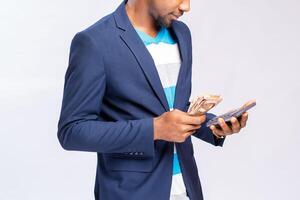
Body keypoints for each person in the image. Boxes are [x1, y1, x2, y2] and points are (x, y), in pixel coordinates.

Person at [57, 0, 249, 199]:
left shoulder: (182, 34)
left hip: (187, 189)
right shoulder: (95, 42)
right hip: (132, 193)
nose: (186, 7)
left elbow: (174, 107)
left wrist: (212, 126)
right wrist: (155, 129)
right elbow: (72, 131)